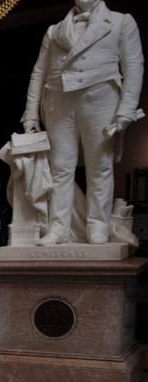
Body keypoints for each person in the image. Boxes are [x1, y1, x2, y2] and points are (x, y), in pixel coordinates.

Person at [22, 0, 143, 245]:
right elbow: (39, 72)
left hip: (100, 98)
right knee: (60, 168)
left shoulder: (120, 22)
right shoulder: (55, 30)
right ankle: (58, 228)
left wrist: (126, 109)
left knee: (100, 165)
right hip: (59, 100)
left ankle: (97, 225)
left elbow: (133, 66)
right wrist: (31, 114)